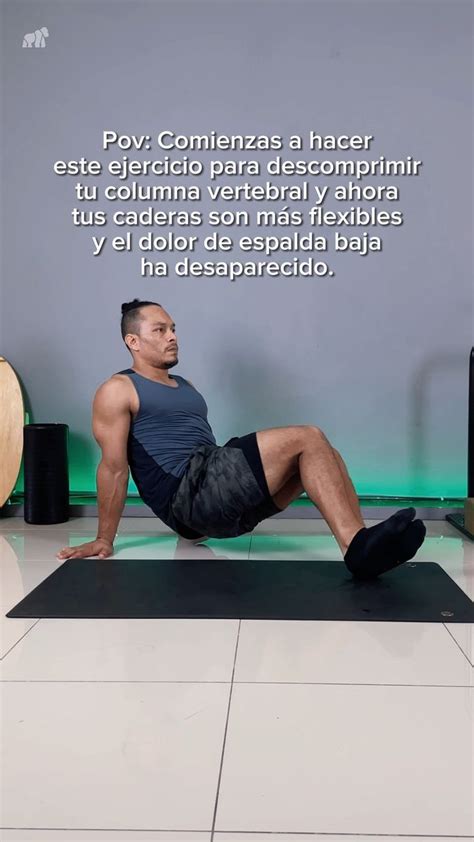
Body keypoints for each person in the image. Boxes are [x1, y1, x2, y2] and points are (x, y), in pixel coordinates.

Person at [57, 298, 426, 579]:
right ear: (133, 341)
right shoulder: (118, 389)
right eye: (160, 330)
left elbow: (203, 453)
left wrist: (193, 530)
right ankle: (357, 547)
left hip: (207, 503)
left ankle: (366, 546)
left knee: (323, 454)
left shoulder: (185, 386)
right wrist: (105, 538)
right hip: (189, 494)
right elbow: (114, 468)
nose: (172, 336)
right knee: (309, 437)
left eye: (173, 328)